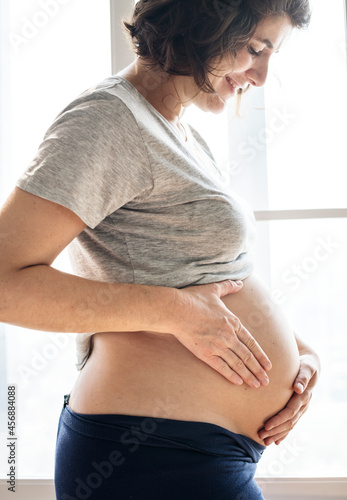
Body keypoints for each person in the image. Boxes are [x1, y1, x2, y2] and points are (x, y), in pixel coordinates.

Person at [0, 0, 320, 498]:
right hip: (146, 457)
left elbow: (195, 275)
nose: (260, 76)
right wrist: (173, 311)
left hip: (204, 452)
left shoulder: (178, 131)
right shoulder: (106, 120)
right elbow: (4, 283)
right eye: (256, 49)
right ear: (206, 22)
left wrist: (300, 354)